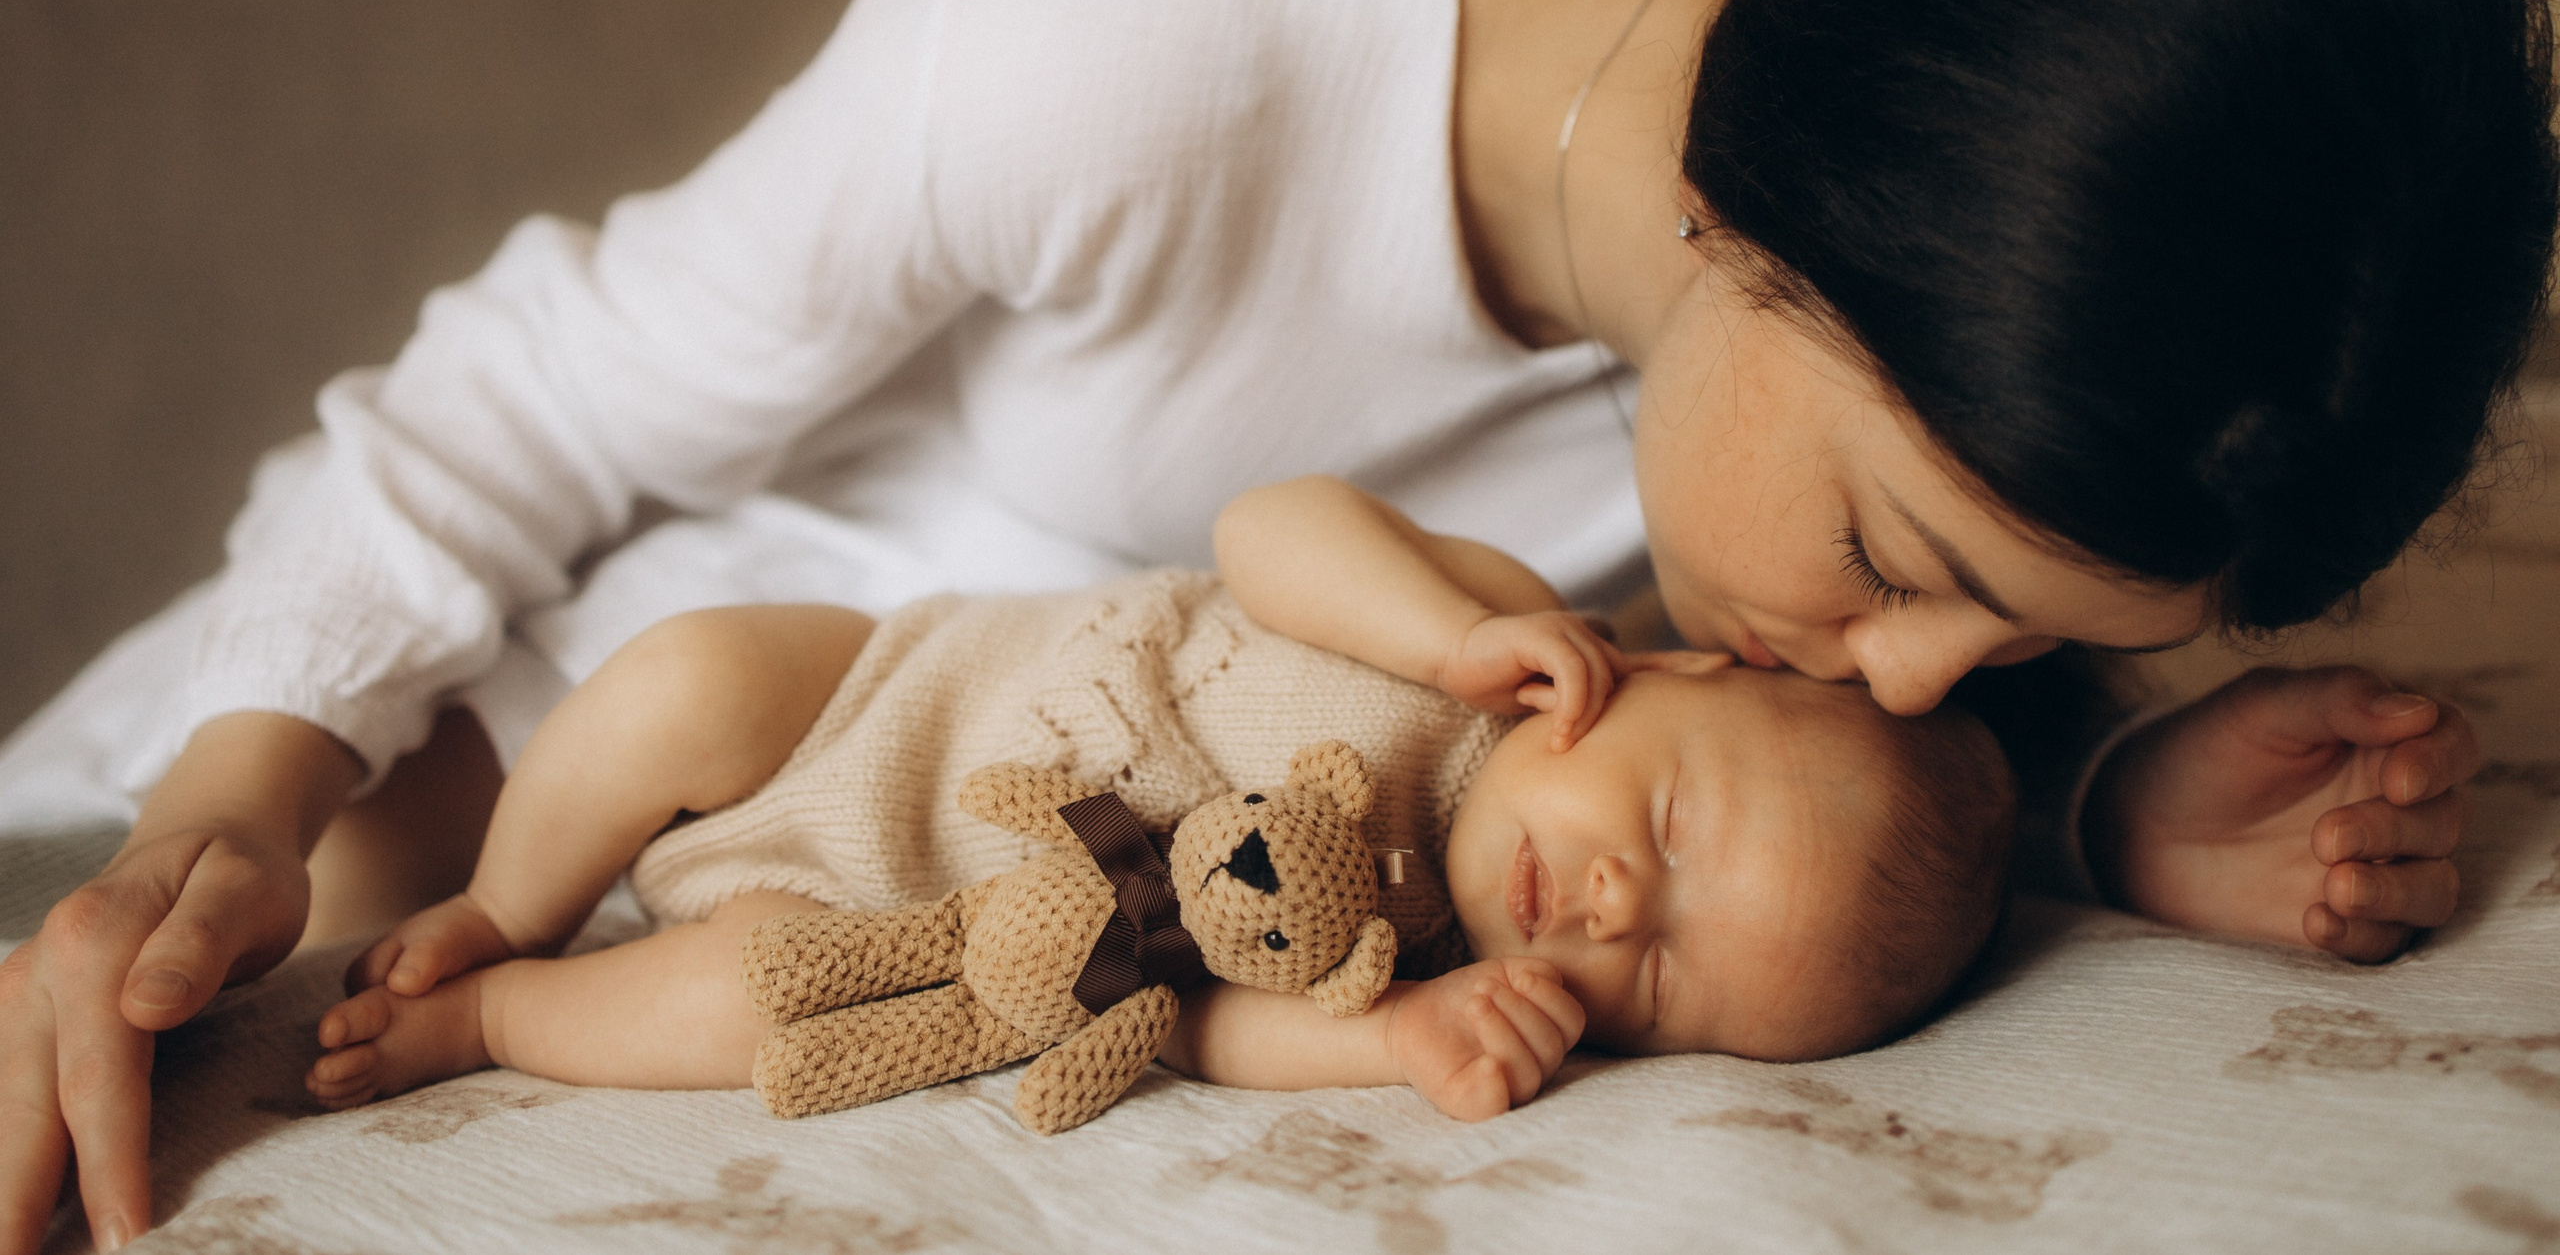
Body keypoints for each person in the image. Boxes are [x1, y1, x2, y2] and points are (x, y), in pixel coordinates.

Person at [0, 0, 2545, 1253]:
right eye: (1900, 570)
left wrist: (2091, 798)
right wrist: (223, 798)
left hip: (996, 933)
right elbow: (508, 418)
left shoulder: (1971, 296)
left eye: (1995, 646)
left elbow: (1768, 814)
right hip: (476, 731)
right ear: (1760, 229)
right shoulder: (1157, 25)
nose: (1898, 669)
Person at [300, 478, 2014, 1116]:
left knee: (754, 997)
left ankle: (506, 1014)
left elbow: (1198, 1025)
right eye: (1676, 832)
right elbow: (1268, 527)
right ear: (1698, 675)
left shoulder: (1406, 957)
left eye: (1662, 990)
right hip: (872, 701)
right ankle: (507, 898)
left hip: (919, 922)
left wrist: (1392, 1043)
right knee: (681, 674)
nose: (1622, 911)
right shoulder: (1489, 628)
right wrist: (1453, 621)